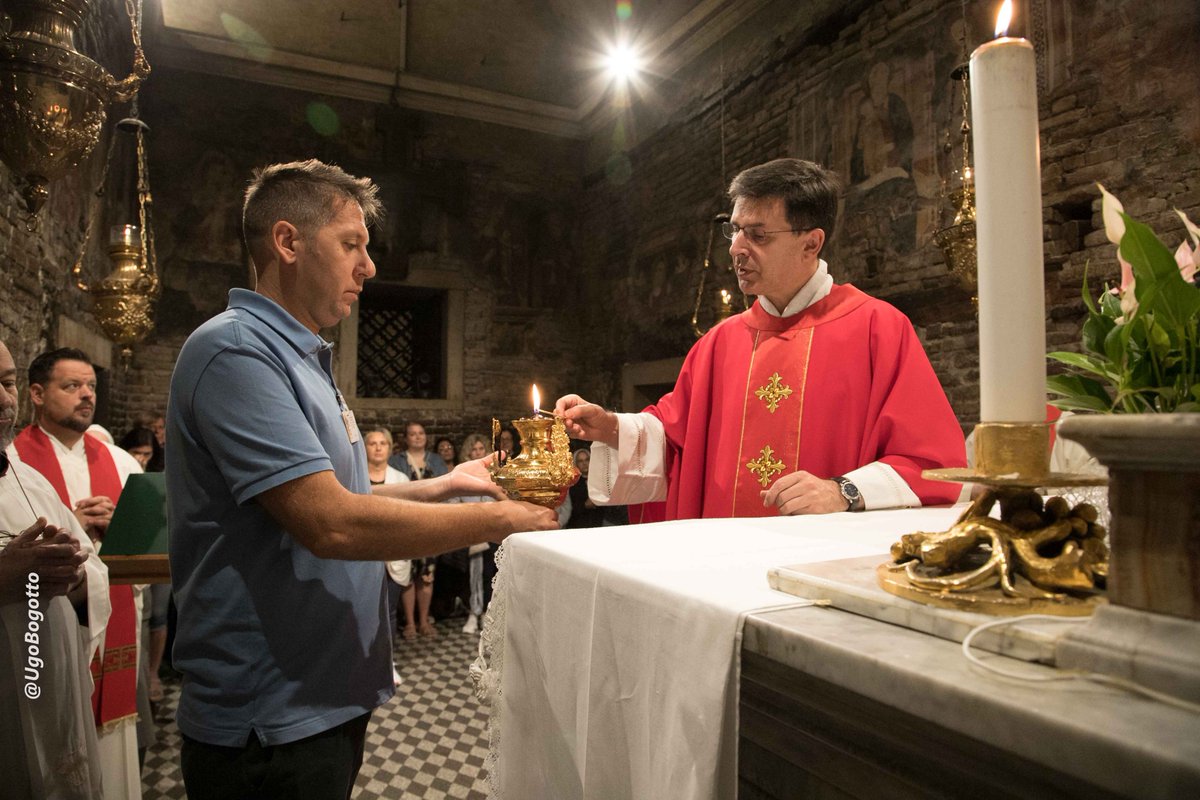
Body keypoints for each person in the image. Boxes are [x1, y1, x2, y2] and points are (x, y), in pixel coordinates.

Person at [167, 159, 556, 800]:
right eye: (352, 244)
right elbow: (331, 523)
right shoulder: (238, 351)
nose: (369, 267)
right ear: (287, 242)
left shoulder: (304, 358)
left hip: (320, 695)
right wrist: (505, 518)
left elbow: (339, 497)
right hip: (269, 715)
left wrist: (442, 484)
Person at [556, 158, 965, 521]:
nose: (736, 249)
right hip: (724, 566)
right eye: (734, 231)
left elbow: (932, 463)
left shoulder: (878, 328)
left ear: (811, 243)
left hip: (823, 566)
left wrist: (843, 490)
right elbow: (679, 444)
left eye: (758, 235)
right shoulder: (717, 344)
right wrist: (611, 428)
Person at [12, 347, 146, 799]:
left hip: (113, 621)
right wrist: (72, 523)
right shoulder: (15, 463)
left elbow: (146, 557)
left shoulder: (123, 463)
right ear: (36, 393)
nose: (86, 395)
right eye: (72, 386)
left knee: (112, 758)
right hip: (47, 627)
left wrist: (122, 532)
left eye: (90, 386)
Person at [0, 338, 110, 800]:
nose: (5, 399)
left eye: (6, 383)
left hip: (56, 691)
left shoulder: (29, 478)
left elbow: (92, 567)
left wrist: (76, 576)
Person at [388, 422, 445, 637]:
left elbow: (443, 488)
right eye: (412, 434)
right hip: (405, 524)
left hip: (430, 523)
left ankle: (424, 621)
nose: (417, 437)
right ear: (406, 438)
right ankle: (410, 623)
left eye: (421, 433)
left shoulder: (436, 460)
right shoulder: (396, 461)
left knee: (427, 574)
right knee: (408, 575)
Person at [364, 428, 410, 686]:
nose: (378, 448)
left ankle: (388, 662)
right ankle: (364, 659)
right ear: (365, 448)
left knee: (389, 611)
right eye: (372, 443)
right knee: (364, 609)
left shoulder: (401, 478)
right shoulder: (356, 476)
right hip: (364, 554)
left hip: (393, 554)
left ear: (390, 448)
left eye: (383, 443)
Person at [453, 433, 495, 635]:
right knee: (468, 576)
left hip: (491, 533)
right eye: (474, 449)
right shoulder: (460, 475)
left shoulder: (495, 474)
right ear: (468, 452)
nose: (478, 453)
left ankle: (486, 613)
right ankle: (472, 612)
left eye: (481, 449)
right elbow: (453, 503)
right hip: (468, 533)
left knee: (489, 574)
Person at [566, 447, 605, 529]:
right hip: (578, 526)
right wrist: (585, 505)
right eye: (580, 461)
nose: (584, 463)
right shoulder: (572, 483)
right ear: (576, 464)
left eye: (587, 460)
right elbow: (569, 508)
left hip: (600, 525)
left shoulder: (600, 480)